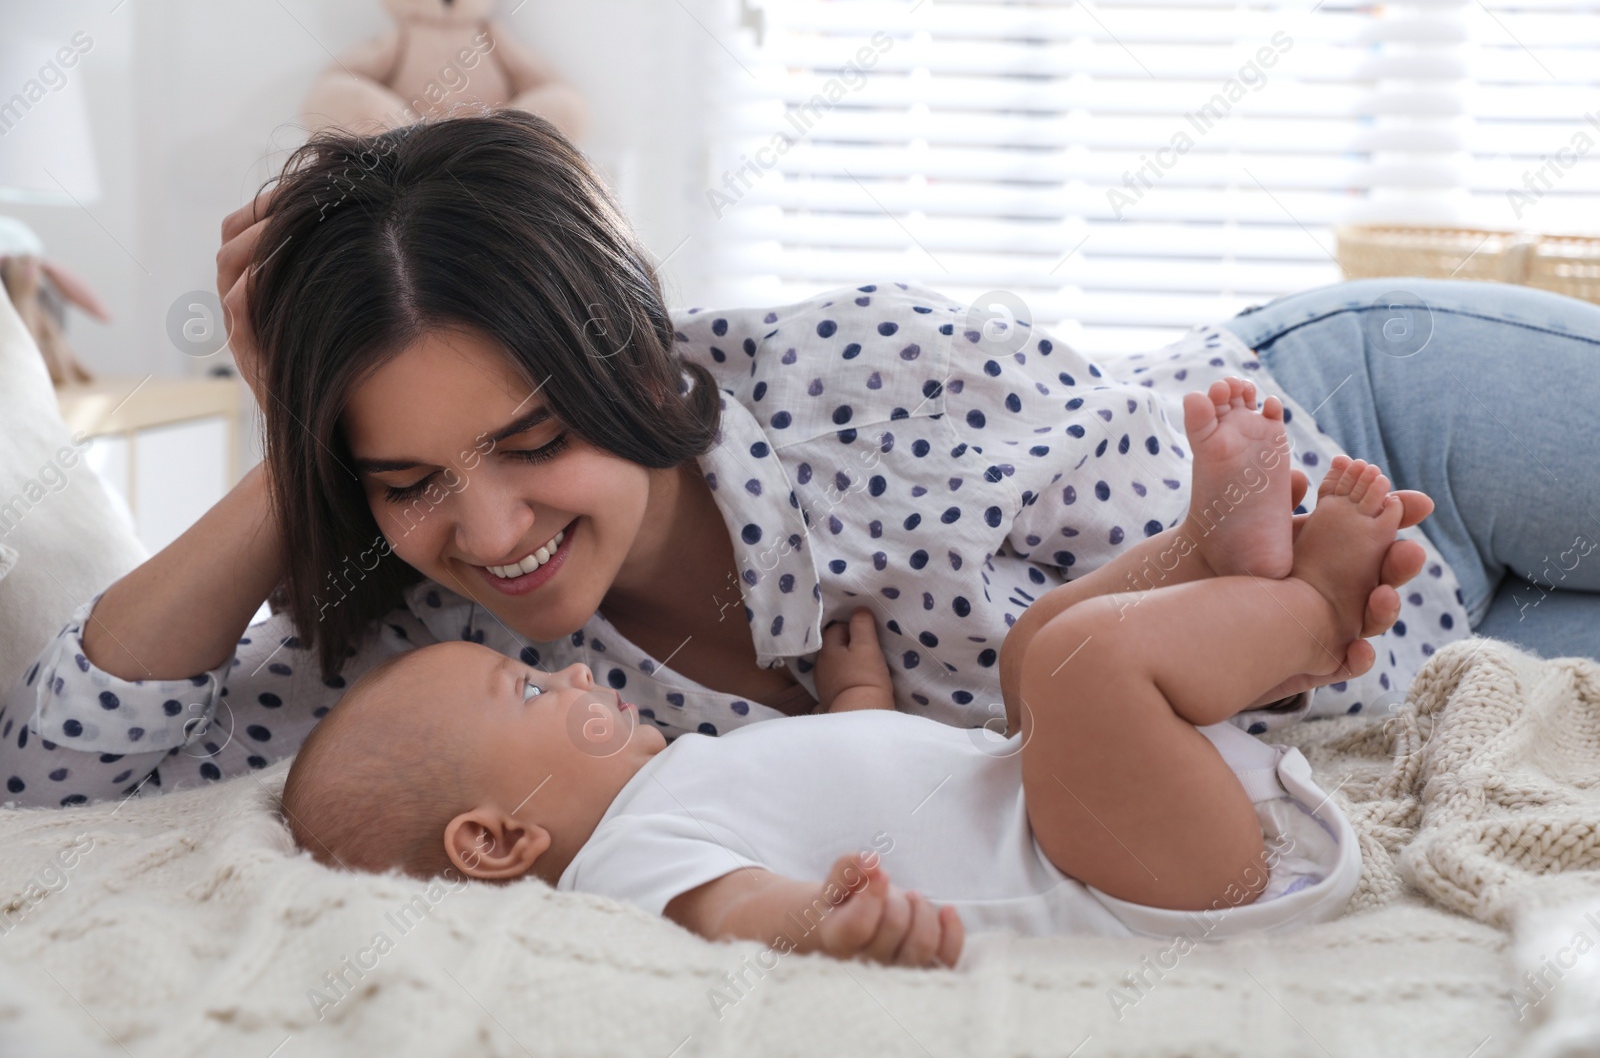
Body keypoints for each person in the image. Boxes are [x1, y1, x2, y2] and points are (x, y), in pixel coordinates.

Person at [4, 106, 1566, 810]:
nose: (486, 527)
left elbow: (1231, 553)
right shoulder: (428, 660)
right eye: (409, 478)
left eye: (532, 439)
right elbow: (57, 773)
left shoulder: (863, 377)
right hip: (1445, 673)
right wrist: (297, 455)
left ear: (628, 359)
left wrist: (1262, 583)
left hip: (1379, 426)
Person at [282, 451, 1418, 966]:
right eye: (528, 689)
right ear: (496, 840)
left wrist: (854, 694)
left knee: (1033, 653)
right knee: (1080, 668)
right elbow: (739, 913)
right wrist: (822, 924)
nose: (576, 676)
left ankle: (1199, 556)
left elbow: (835, 773)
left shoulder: (682, 782)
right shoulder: (624, 867)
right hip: (1142, 885)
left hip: (1081, 811)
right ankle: (1311, 613)